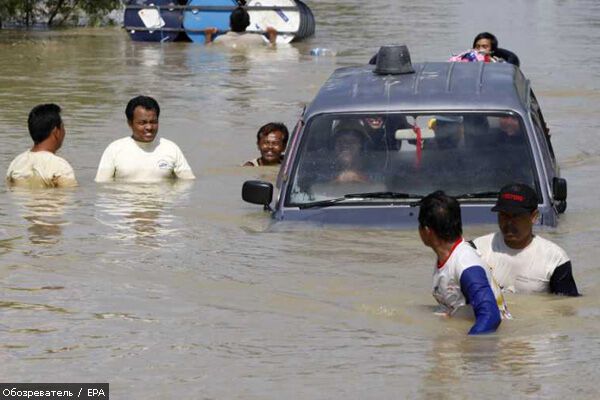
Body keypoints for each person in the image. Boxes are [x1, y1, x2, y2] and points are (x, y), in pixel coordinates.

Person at [418, 191, 509, 335]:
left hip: (487, 347)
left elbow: (490, 316)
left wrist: (468, 347)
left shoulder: (466, 264)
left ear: (427, 231)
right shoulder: (447, 257)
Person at [473, 183, 580, 296]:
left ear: (534, 216)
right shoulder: (477, 249)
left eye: (516, 216)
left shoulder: (556, 259)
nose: (509, 222)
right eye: (504, 215)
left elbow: (566, 306)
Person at [95, 96, 195, 183]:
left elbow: (188, 183)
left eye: (153, 122)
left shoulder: (171, 149)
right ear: (130, 123)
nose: (149, 127)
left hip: (160, 204)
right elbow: (102, 185)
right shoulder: (114, 149)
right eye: (142, 123)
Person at [6, 103, 77, 188]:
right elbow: (69, 194)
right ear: (56, 132)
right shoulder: (60, 167)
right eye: (62, 127)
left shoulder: (16, 163)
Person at [204, 6, 277, 47]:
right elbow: (272, 49)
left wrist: (208, 35)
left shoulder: (219, 40)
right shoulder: (258, 40)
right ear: (248, 23)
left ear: (229, 23)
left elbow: (208, 49)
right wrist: (272, 36)